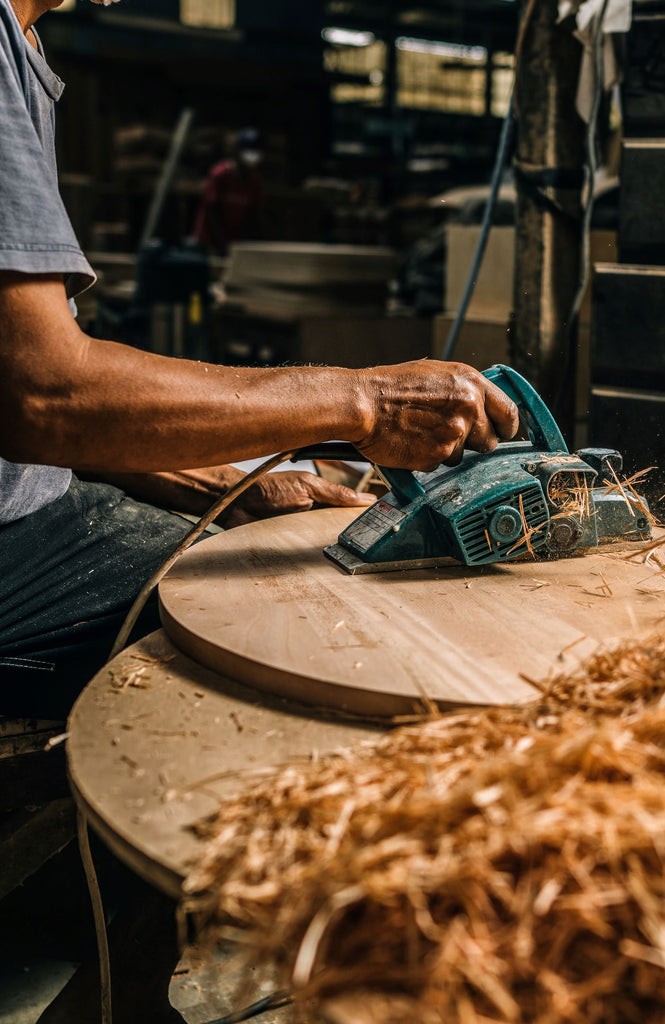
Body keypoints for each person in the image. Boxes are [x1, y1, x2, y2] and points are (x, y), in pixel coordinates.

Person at [0, 0, 519, 720]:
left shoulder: (20, 42)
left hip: (33, 509)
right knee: (301, 621)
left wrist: (222, 483)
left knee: (248, 547)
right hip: (15, 547)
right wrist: (369, 402)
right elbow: (41, 395)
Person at [191, 126, 266, 255]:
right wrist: (221, 244)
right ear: (237, 151)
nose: (253, 155)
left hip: (233, 245)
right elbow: (212, 210)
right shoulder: (221, 174)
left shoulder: (254, 179)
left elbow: (254, 212)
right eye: (248, 150)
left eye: (256, 150)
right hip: (209, 242)